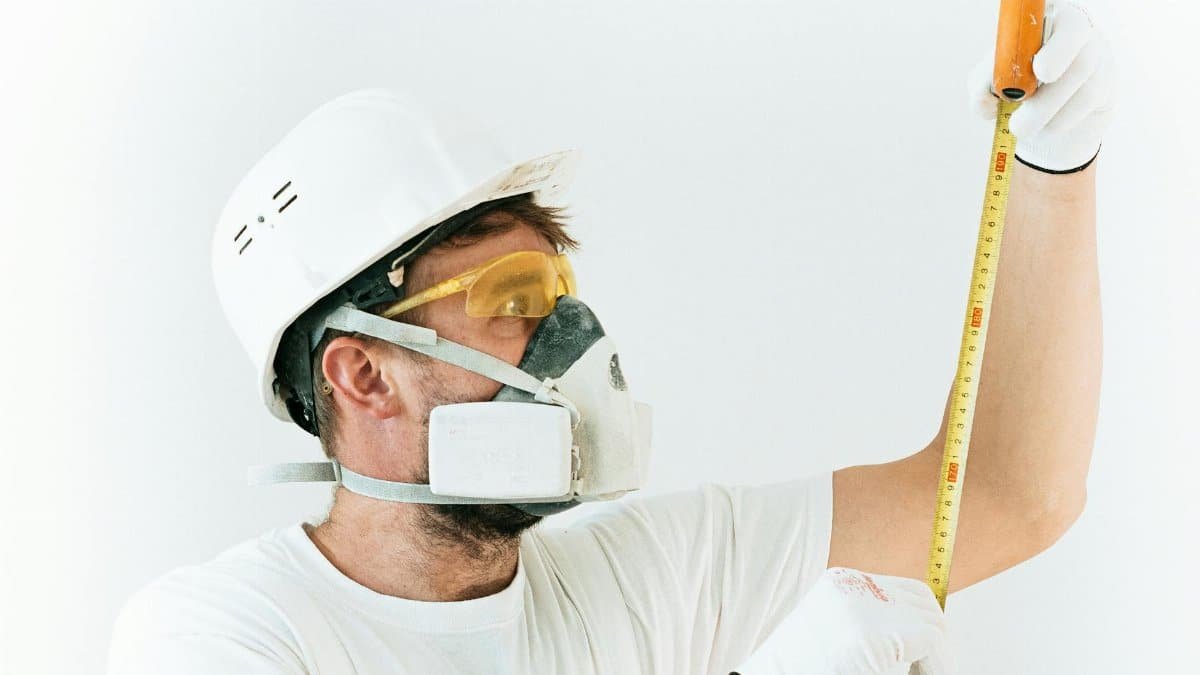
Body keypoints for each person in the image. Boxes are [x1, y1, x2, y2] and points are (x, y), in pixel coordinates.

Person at [107, 3, 1114, 673]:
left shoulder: (642, 583)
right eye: (513, 300)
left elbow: (1004, 493)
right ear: (363, 372)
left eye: (559, 292)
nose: (571, 341)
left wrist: (1055, 168)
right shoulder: (216, 637)